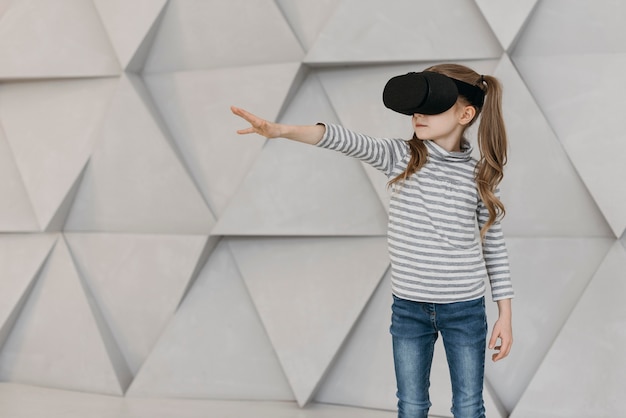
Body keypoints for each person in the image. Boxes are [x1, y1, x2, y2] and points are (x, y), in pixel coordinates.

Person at [231, 63, 513, 418]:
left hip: (465, 310)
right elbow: (342, 138)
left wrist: (505, 314)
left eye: (431, 106)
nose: (417, 116)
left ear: (465, 114)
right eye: (415, 108)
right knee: (411, 405)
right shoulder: (402, 157)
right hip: (409, 308)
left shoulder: (479, 175)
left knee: (469, 406)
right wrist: (280, 130)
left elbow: (494, 247)